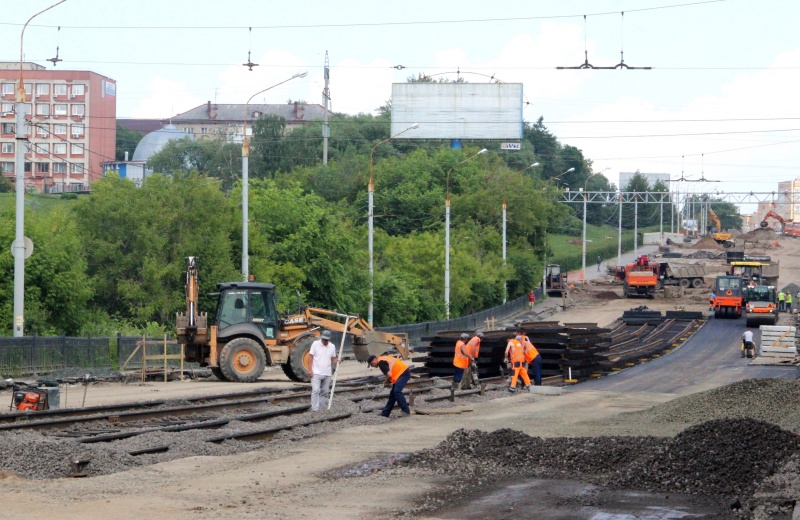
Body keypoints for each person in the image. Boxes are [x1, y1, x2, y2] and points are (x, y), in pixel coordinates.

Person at [308, 330, 339, 412]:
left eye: (326, 340)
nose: (325, 341)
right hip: (316, 372)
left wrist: (337, 361)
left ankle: (320, 409)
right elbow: (310, 357)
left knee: (324, 392)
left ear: (329, 339)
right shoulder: (315, 344)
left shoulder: (332, 346)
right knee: (315, 390)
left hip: (327, 373)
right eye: (323, 339)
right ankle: (315, 409)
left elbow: (333, 359)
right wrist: (310, 370)